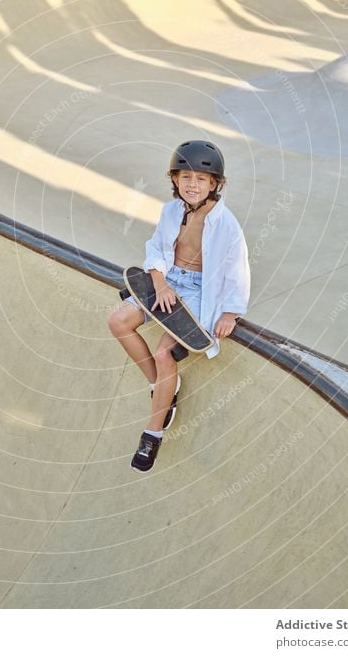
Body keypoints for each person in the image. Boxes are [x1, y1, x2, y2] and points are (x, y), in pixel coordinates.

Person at [107, 140, 251, 473]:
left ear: (214, 184)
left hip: (202, 290)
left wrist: (230, 311)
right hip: (169, 281)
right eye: (185, 177)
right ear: (174, 180)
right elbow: (156, 250)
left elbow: (237, 268)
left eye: (201, 179)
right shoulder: (171, 211)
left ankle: (152, 432)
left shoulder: (226, 223)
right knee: (118, 321)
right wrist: (160, 283)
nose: (192, 185)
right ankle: (162, 388)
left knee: (163, 354)